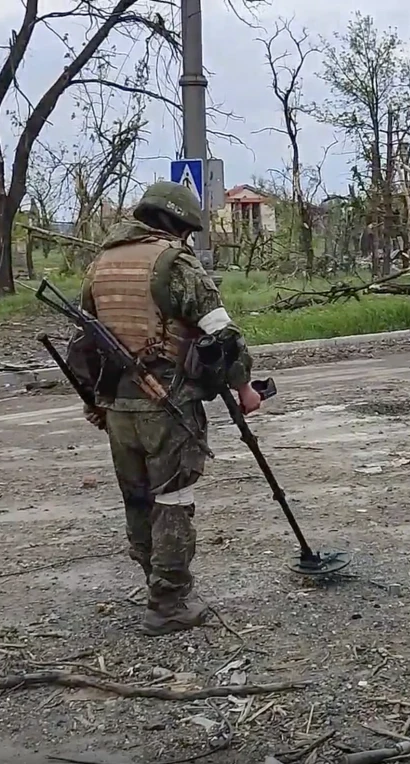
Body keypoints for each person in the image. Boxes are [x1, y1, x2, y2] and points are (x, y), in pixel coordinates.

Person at [71, 180, 262, 636]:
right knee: (173, 500)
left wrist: (96, 400)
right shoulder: (174, 263)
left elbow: (84, 342)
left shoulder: (101, 264)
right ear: (174, 224)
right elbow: (221, 334)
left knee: (137, 499)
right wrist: (245, 387)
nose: (187, 239)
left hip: (118, 405)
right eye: (186, 230)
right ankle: (170, 602)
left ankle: (155, 583)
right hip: (167, 404)